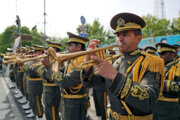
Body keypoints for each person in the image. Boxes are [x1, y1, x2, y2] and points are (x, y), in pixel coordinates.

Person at [81, 12, 164, 120]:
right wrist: (87, 62)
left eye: (125, 34)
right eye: (118, 35)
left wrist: (114, 75)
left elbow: (148, 100)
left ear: (138, 38)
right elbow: (88, 84)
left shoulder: (152, 62)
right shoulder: (114, 61)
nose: (120, 39)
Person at [31, 32, 90, 120]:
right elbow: (53, 74)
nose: (67, 48)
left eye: (70, 45)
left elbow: (65, 82)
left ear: (79, 47)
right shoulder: (72, 60)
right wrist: (47, 66)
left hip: (76, 105)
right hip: (67, 102)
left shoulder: (82, 62)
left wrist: (48, 66)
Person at [153, 43, 180, 120]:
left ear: (172, 54)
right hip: (155, 110)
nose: (160, 56)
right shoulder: (157, 68)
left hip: (171, 110)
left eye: (163, 53)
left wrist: (162, 84)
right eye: (159, 53)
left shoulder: (178, 68)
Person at [21, 45, 45, 118]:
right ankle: (34, 111)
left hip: (37, 83)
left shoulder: (41, 60)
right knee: (32, 99)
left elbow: (30, 72)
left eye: (36, 51)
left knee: (37, 100)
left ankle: (39, 115)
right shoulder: (34, 60)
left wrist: (26, 65)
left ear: (40, 52)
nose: (34, 53)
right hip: (31, 82)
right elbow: (26, 70)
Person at [42, 40, 62, 120]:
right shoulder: (48, 61)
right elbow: (43, 76)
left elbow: (56, 77)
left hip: (54, 93)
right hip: (47, 92)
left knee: (54, 115)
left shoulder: (59, 62)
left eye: (49, 50)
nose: (46, 51)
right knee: (48, 114)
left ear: (55, 50)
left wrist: (48, 66)